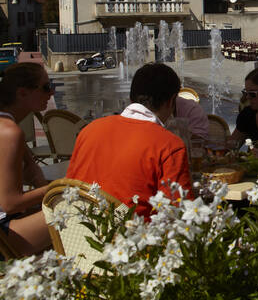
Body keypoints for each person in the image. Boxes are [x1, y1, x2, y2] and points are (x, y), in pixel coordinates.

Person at [67, 63, 193, 217]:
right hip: (134, 236)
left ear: (131, 97)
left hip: (80, 234)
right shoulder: (169, 145)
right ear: (171, 101)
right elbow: (180, 213)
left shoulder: (89, 131)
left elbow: (71, 188)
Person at [0, 63, 53, 256]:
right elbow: (10, 203)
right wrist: (59, 188)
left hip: (8, 223)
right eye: (46, 87)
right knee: (77, 211)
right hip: (4, 234)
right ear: (22, 93)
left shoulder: (7, 125)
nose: (52, 93)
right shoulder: (9, 132)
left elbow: (32, 174)